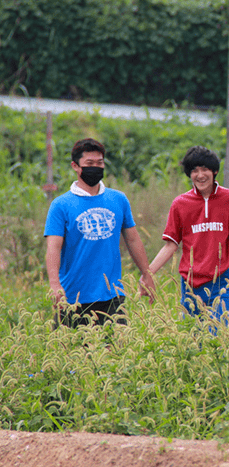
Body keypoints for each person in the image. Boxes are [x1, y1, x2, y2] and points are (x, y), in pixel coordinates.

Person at [44, 138, 155, 327]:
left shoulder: (118, 199)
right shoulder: (61, 205)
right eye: (89, 164)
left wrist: (147, 274)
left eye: (99, 163)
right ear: (75, 166)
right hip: (72, 298)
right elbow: (53, 248)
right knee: (70, 352)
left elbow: (133, 239)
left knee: (117, 352)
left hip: (112, 296)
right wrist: (55, 285)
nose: (95, 168)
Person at [144, 146, 229, 327]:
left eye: (205, 169)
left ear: (215, 171)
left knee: (216, 336)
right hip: (190, 284)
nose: (200, 175)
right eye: (194, 171)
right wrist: (147, 274)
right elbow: (170, 245)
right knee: (193, 340)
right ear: (189, 174)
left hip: (221, 282)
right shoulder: (180, 204)